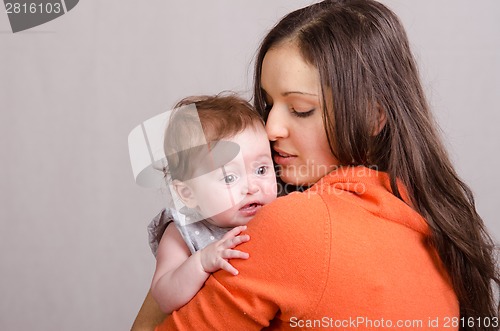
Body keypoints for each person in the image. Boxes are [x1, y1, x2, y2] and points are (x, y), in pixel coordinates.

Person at [132, 1, 499, 330]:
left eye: (301, 109)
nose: (271, 128)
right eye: (268, 103)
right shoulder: (428, 221)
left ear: (373, 117)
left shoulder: (296, 224)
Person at [150, 95, 277, 314]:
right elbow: (163, 296)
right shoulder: (184, 232)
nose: (251, 187)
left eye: (261, 170)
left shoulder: (280, 213)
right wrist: (201, 263)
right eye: (229, 178)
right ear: (189, 194)